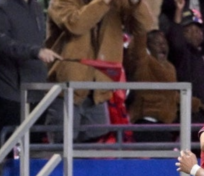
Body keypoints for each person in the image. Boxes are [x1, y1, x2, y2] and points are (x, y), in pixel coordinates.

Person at [44, 0, 151, 143]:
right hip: (67, 90)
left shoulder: (117, 4)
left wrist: (136, 3)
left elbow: (143, 26)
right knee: (63, 151)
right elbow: (76, 25)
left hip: (99, 92)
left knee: (96, 153)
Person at [0, 0, 60, 146]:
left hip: (37, 93)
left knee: (33, 149)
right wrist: (35, 52)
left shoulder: (36, 7)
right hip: (10, 94)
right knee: (7, 149)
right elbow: (0, 43)